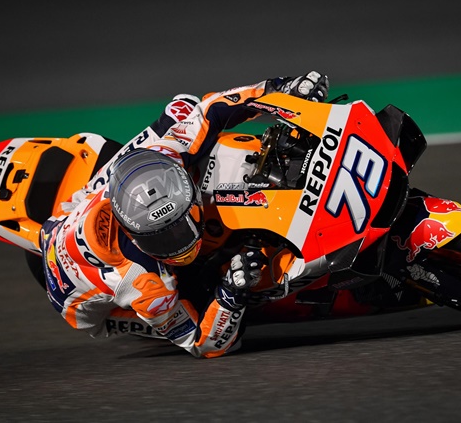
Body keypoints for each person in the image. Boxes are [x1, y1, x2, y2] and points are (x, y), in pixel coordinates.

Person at [39, 71, 329, 358]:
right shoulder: (145, 285)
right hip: (78, 304)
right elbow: (203, 343)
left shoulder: (163, 155)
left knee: (183, 110)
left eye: (180, 226)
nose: (183, 240)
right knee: (210, 286)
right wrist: (231, 293)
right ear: (136, 236)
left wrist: (280, 90)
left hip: (69, 211)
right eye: (166, 238)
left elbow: (209, 110)